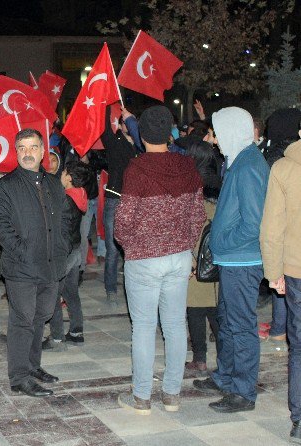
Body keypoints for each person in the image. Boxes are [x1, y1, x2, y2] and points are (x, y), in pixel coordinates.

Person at [115, 105, 206, 415]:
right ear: (170, 132)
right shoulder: (187, 167)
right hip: (178, 257)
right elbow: (197, 216)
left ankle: (142, 397)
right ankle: (171, 394)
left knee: (142, 328)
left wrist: (130, 247)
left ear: (142, 133)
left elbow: (123, 221)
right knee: (175, 326)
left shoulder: (137, 169)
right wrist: (186, 246)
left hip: (144, 258)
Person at [193, 107, 269, 414]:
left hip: (242, 260)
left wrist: (223, 241)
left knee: (240, 327)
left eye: (220, 132)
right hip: (233, 260)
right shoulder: (238, 159)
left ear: (235, 131)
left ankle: (242, 391)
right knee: (227, 322)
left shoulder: (249, 165)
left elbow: (254, 223)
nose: (216, 140)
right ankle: (226, 376)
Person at [0, 128, 71, 398]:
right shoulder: (5, 186)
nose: (27, 153)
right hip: (22, 266)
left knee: (41, 317)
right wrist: (21, 250)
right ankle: (19, 376)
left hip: (51, 266)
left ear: (42, 151)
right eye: (22, 148)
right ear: (16, 152)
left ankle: (33, 366)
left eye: (33, 147)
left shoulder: (54, 184)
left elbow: (66, 218)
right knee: (22, 321)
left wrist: (63, 246)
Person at [260, 136, 301, 443]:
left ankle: (300, 418)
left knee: (299, 346)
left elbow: (273, 226)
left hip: (297, 268)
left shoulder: (285, 168)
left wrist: (274, 273)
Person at [42, 160, 92, 351]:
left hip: (63, 253)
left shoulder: (64, 200)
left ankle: (56, 336)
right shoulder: (80, 194)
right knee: (71, 292)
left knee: (54, 294)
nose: (61, 175)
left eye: (63, 173)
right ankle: (76, 332)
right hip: (76, 250)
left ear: (69, 177)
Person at [185, 141, 222, 373]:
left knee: (195, 310)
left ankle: (200, 358)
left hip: (196, 253)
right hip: (216, 254)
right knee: (216, 311)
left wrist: (188, 258)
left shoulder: (190, 184)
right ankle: (225, 356)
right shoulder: (220, 181)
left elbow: (187, 225)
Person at [101, 106, 138, 307]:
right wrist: (105, 105)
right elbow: (104, 130)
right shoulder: (115, 142)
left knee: (132, 249)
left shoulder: (143, 147)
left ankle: (132, 289)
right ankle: (111, 289)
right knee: (113, 248)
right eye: (125, 122)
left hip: (135, 203)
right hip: (115, 200)